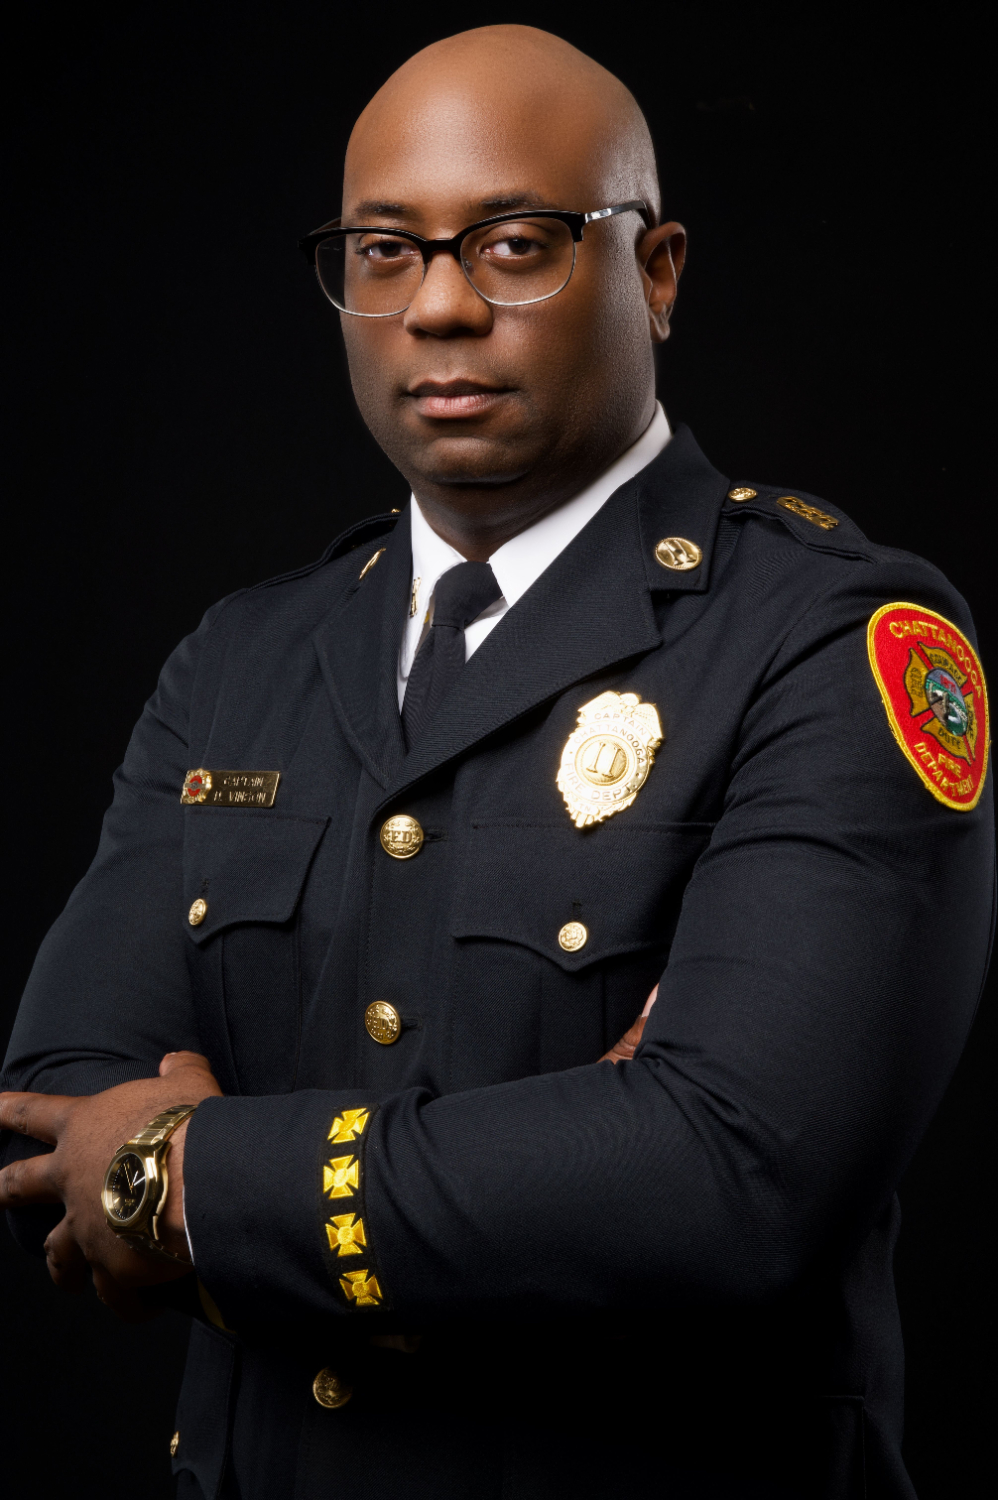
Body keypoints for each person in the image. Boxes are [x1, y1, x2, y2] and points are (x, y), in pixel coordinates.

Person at [0, 24, 992, 1500]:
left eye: (515, 245)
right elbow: (51, 1119)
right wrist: (553, 1175)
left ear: (656, 272)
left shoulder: (829, 642)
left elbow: (729, 1180)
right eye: (383, 251)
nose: (440, 307)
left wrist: (197, 1178)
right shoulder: (243, 658)